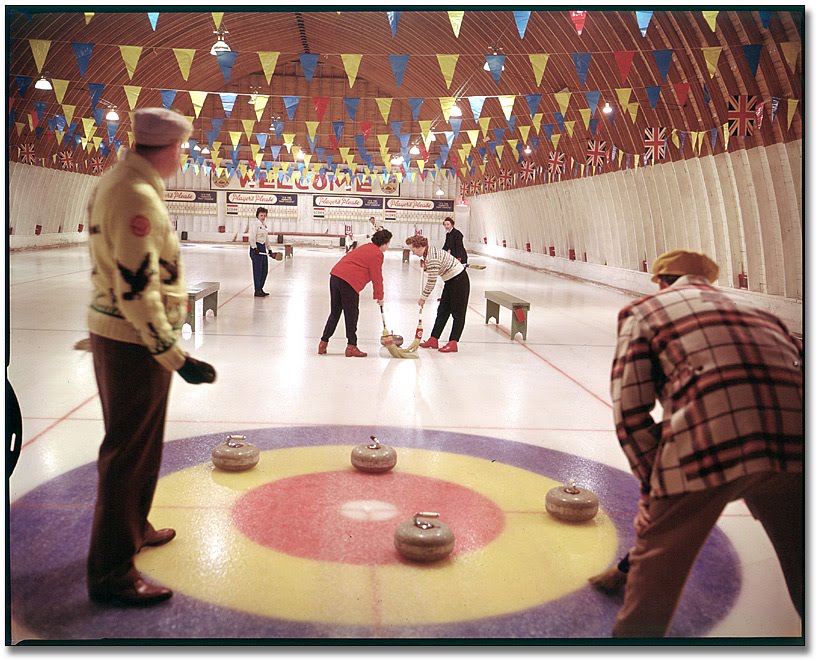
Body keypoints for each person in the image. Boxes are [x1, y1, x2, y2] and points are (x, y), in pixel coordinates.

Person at [609, 249, 803, 638]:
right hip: (798, 445)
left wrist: (655, 489)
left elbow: (630, 411)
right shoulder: (767, 317)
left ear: (664, 282)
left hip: (707, 442)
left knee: (654, 578)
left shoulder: (645, 311)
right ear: (708, 282)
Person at [86, 107, 217, 606]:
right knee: (127, 453)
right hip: (134, 341)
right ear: (163, 149)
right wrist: (174, 356)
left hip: (123, 334)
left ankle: (134, 527)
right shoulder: (135, 194)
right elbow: (137, 288)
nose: (180, 157)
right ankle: (112, 575)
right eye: (179, 150)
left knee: (141, 445)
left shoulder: (114, 182)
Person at [319, 229, 392, 357]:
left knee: (335, 313)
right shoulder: (377, 254)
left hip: (335, 276)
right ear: (384, 243)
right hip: (349, 281)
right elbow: (377, 277)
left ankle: (323, 343)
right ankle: (351, 346)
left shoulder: (366, 247)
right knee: (351, 314)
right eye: (388, 243)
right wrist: (380, 297)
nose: (388, 246)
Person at [406, 234, 470, 353]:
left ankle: (453, 342)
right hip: (450, 280)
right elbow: (435, 269)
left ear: (420, 246)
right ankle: (434, 339)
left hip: (459, 280)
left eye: (413, 250)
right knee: (443, 310)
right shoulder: (427, 254)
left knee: (458, 313)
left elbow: (432, 281)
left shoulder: (431, 257)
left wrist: (423, 298)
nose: (413, 253)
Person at [249, 206, 271, 297]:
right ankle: (257, 290)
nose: (263, 217)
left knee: (264, 270)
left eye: (264, 215)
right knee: (257, 271)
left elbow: (266, 238)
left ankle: (261, 288)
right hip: (256, 248)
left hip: (262, 248)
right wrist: (254, 248)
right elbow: (252, 237)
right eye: (261, 215)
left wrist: (269, 249)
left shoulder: (264, 225)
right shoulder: (255, 225)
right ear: (257, 215)